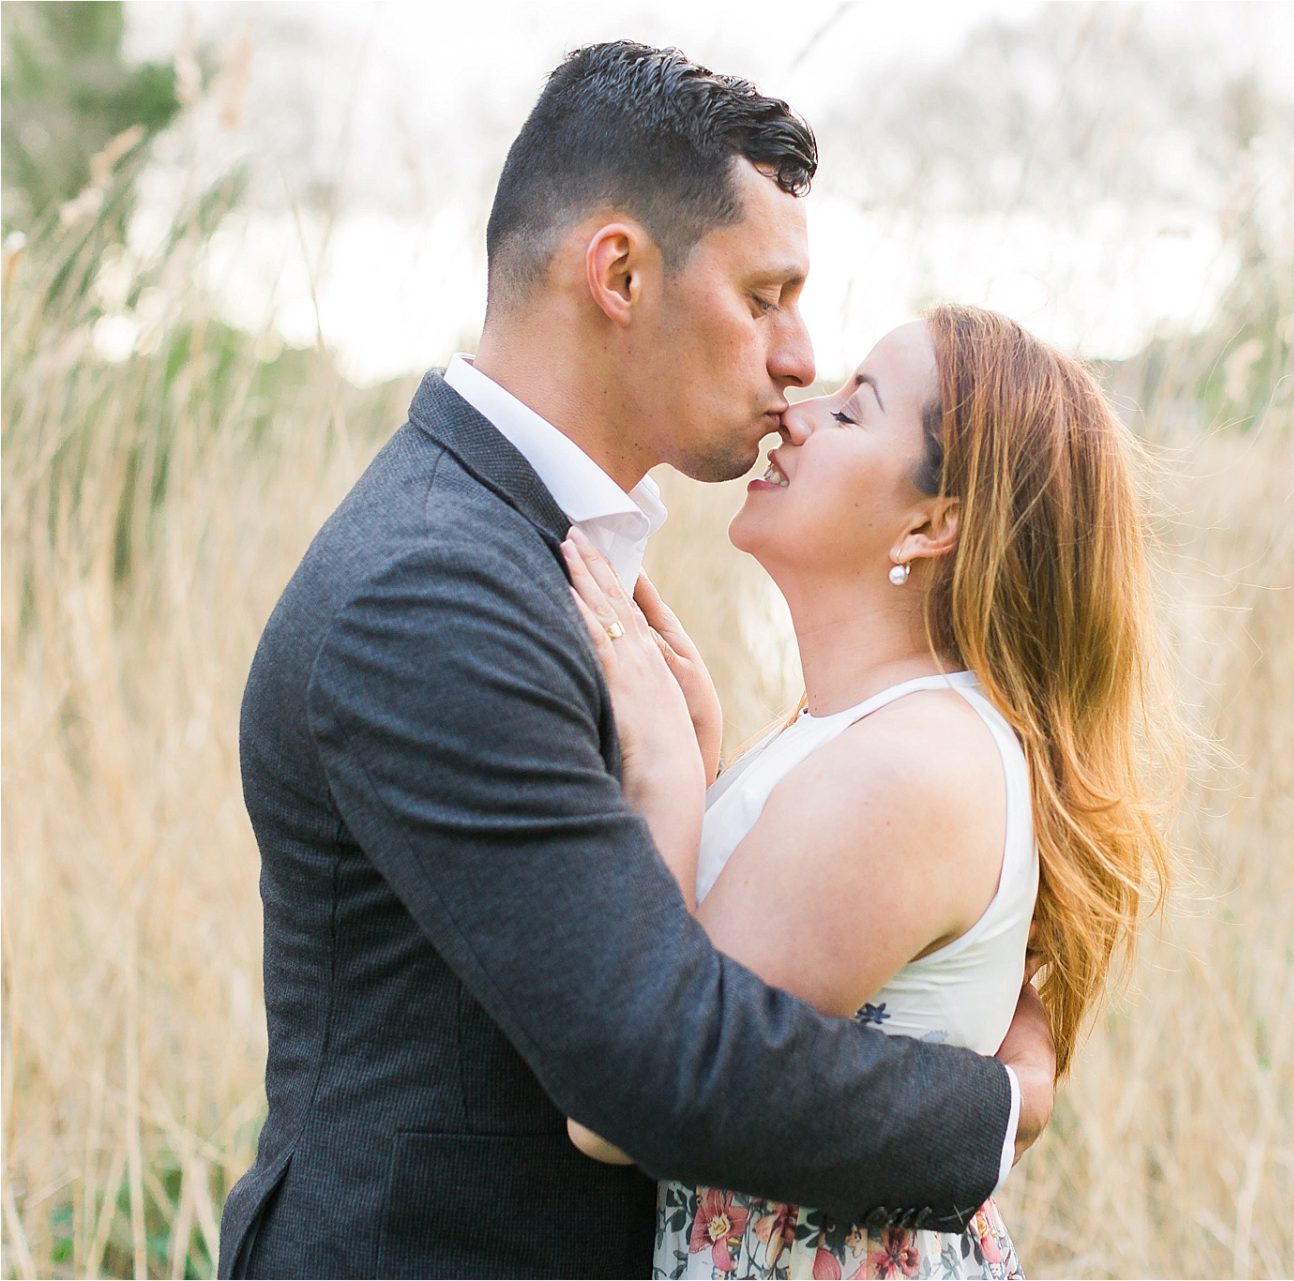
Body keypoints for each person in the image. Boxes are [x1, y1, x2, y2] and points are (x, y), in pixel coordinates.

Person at [219, 44, 1056, 1279]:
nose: (795, 356)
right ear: (618, 273)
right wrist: (996, 1108)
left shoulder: (522, 553)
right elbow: (660, 1060)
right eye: (765, 295)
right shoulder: (434, 588)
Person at [560, 305, 1182, 1279]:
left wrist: (667, 785)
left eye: (854, 412)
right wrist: (707, 768)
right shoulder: (860, 736)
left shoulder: (913, 769)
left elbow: (619, 1110)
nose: (795, 416)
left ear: (936, 522)